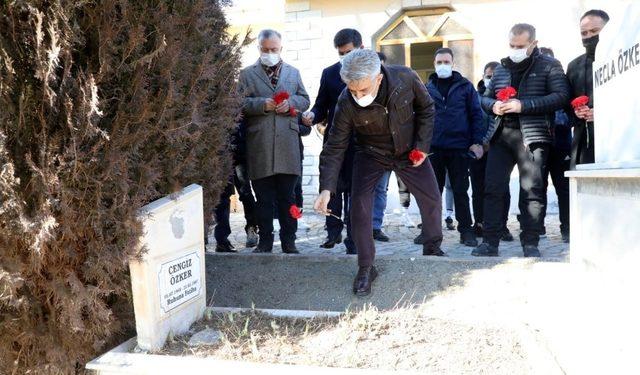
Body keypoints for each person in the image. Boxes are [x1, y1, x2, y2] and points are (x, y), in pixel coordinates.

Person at [315, 49, 443, 297]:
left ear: (378, 78)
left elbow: (427, 108)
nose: (358, 96)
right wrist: (326, 188)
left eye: (363, 90)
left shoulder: (405, 78)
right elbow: (335, 146)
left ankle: (433, 249)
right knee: (360, 207)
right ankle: (365, 267)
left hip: (409, 150)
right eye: (353, 90)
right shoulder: (346, 101)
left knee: (431, 198)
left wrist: (422, 148)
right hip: (370, 153)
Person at [473, 23, 570, 258]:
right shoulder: (501, 69)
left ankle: (530, 242)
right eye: (511, 45)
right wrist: (493, 105)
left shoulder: (549, 65)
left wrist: (523, 105)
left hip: (533, 137)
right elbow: (484, 98)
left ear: (533, 44)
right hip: (501, 136)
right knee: (493, 188)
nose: (515, 50)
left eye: (520, 46)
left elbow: (561, 96)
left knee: (532, 191)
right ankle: (490, 242)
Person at [238, 29, 310, 254]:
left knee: (288, 197)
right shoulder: (247, 74)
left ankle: (289, 240)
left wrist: (291, 104)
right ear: (258, 48)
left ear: (281, 48)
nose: (270, 53)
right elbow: (238, 103)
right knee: (263, 198)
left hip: (288, 145)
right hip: (260, 145)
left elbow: (305, 99)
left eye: (274, 49)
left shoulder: (293, 72)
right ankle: (265, 241)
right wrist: (261, 104)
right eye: (265, 49)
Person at [302, 28, 361, 253]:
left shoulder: (373, 72)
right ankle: (332, 232)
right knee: (331, 189)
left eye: (348, 52)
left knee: (357, 194)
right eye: (340, 53)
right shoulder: (329, 73)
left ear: (360, 48)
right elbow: (321, 105)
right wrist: (312, 115)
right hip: (335, 142)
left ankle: (354, 240)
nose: (344, 57)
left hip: (361, 144)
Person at [423, 47, 485, 247]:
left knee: (460, 190)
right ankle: (429, 231)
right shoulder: (427, 88)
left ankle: (466, 231)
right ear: (434, 64)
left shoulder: (465, 86)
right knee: (432, 192)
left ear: (452, 63)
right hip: (434, 148)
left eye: (446, 62)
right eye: (439, 62)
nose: (443, 65)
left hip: (459, 147)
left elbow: (476, 115)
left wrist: (477, 142)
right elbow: (420, 117)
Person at [475, 62, 514, 242]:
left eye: (493, 75)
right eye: (488, 75)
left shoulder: (507, 96)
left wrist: (491, 140)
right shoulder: (476, 96)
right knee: (479, 189)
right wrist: (479, 142)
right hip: (478, 149)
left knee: (501, 189)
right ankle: (480, 223)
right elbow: (473, 120)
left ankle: (502, 225)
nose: (490, 78)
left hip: (498, 146)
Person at [567, 9, 610, 168]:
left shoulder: (626, 57)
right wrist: (576, 112)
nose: (589, 36)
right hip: (584, 143)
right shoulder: (574, 66)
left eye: (594, 31)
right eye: (584, 33)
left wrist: (603, 113)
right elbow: (566, 104)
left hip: (618, 142)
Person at [212, 119, 259, 252]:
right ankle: (221, 239)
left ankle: (252, 228)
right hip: (220, 154)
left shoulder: (242, 101)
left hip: (240, 153)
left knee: (245, 193)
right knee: (222, 196)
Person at [539, 47, 571, 243]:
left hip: (561, 143)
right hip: (539, 141)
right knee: (536, 187)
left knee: (564, 188)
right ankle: (536, 227)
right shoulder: (532, 84)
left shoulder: (563, 83)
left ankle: (567, 228)